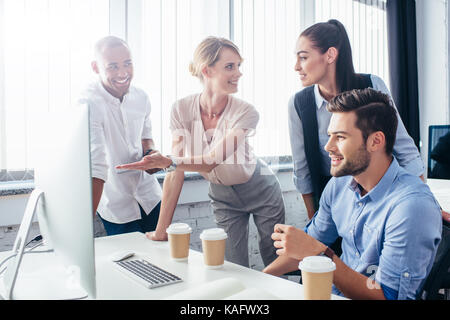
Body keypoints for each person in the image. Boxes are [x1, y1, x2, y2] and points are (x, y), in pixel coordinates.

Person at [117, 36, 286, 268]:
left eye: (239, 66)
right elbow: (175, 171)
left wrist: (169, 161)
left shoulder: (246, 112)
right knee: (232, 266)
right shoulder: (181, 109)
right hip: (223, 197)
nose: (238, 73)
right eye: (230, 66)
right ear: (206, 70)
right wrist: (161, 231)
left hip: (261, 189)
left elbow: (211, 161)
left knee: (274, 262)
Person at [263, 88, 442, 300]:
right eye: (329, 136)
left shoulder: (412, 207)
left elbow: (388, 297)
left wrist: (321, 254)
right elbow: (306, 244)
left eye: (340, 137)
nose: (328, 147)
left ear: (375, 141)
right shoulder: (339, 186)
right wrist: (260, 279)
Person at [288, 19, 424, 221]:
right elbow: (302, 169)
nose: (296, 67)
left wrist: (426, 202)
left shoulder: (371, 85)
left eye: (303, 57)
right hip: (332, 196)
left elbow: (403, 147)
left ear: (330, 55)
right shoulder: (299, 103)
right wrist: (313, 218)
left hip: (379, 190)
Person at [78, 36, 162, 236]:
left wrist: (151, 156)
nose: (123, 73)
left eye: (127, 64)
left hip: (151, 198)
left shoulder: (141, 97)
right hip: (117, 206)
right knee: (130, 265)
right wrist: (81, 231)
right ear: (96, 67)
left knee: (164, 260)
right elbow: (96, 166)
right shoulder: (89, 102)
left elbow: (146, 138)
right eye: (113, 67)